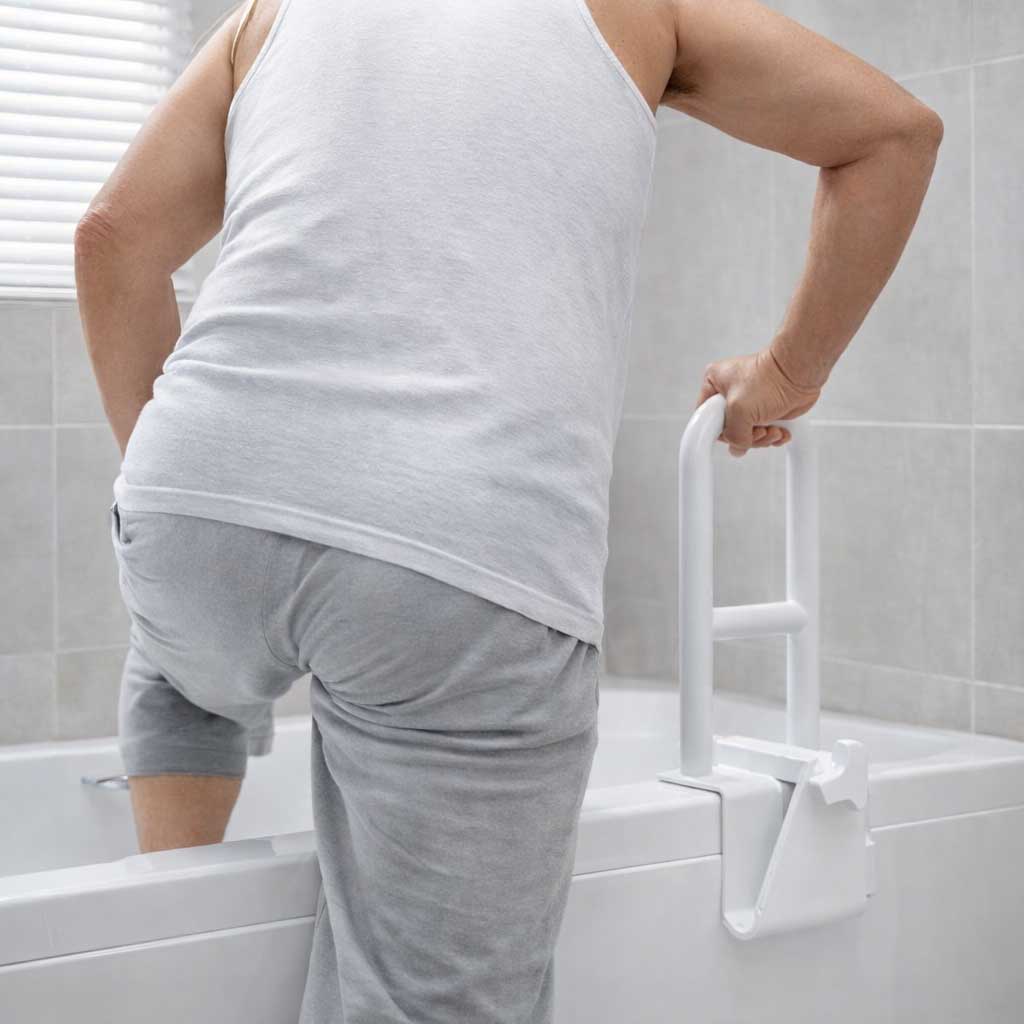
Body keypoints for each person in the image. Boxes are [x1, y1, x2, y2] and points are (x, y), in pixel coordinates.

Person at [73, 0, 942, 1020]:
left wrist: (187, 489)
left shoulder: (272, 12)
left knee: (186, 673)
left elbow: (112, 237)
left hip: (190, 506)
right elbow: (892, 134)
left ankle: (168, 958)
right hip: (458, 539)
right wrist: (788, 374)